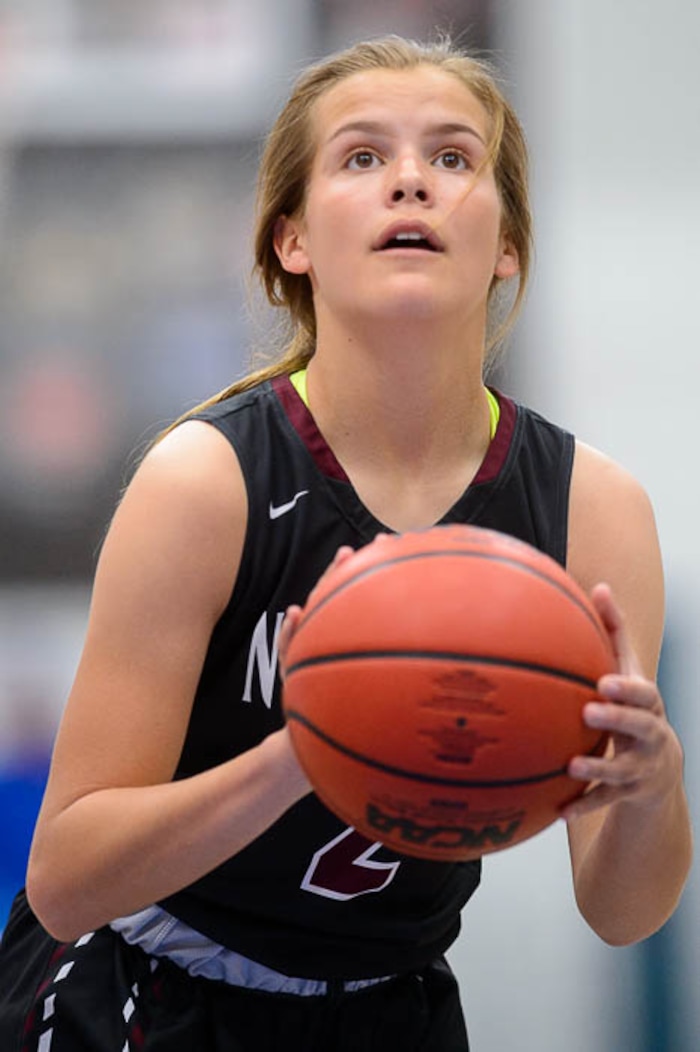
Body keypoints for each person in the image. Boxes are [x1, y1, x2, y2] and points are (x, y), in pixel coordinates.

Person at [0, 34, 692, 1052]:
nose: (410, 180)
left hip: (390, 998)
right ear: (292, 239)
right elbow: (64, 876)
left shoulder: (592, 507)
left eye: (453, 158)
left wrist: (651, 784)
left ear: (506, 243)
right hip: (149, 981)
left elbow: (623, 909)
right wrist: (307, 751)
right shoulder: (206, 480)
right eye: (362, 158)